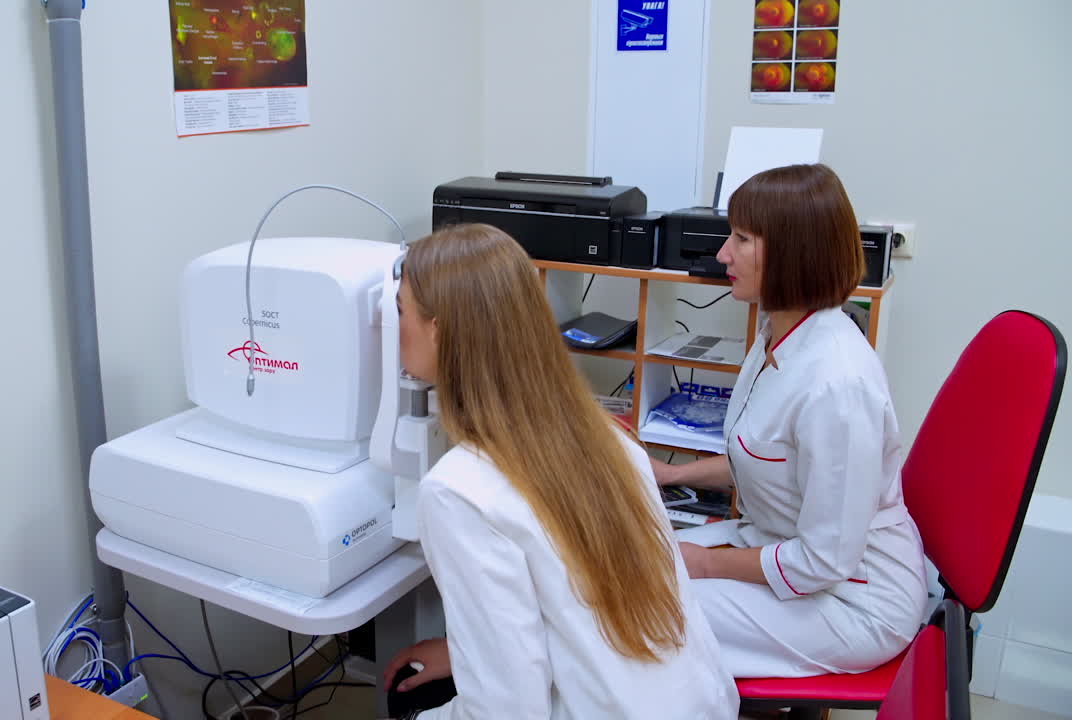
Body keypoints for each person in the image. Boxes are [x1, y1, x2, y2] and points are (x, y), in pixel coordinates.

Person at [380, 223, 737, 719]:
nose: (393, 328)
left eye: (400, 311)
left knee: (408, 703)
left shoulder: (457, 492)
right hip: (704, 705)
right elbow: (575, 602)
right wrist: (465, 653)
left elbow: (505, 712)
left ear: (440, 329)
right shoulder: (606, 437)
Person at [652, 164, 928, 678]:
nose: (722, 255)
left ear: (792, 253)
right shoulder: (776, 335)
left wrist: (706, 563)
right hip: (784, 550)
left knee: (644, 615)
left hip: (854, 601)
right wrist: (671, 475)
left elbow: (824, 561)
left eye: (741, 239)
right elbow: (770, 461)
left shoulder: (838, 386)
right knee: (631, 568)